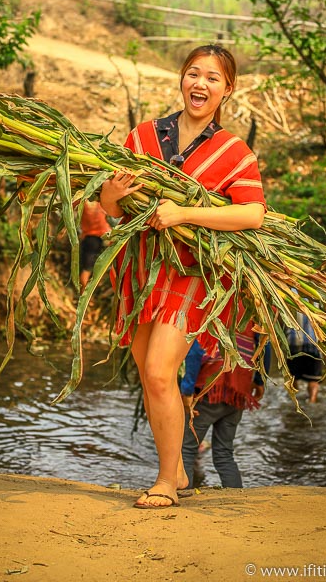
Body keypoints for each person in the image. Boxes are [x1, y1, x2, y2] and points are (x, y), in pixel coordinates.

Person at [99, 45, 266, 509]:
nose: (201, 84)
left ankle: (166, 483)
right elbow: (113, 209)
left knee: (158, 371)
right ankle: (177, 470)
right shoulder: (145, 136)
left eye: (213, 78)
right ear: (181, 78)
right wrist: (110, 197)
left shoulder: (233, 151)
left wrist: (184, 213)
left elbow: (252, 213)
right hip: (139, 268)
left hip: (191, 274)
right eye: (194, 74)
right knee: (153, 379)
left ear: (227, 89)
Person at [180, 325, 269, 490]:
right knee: (224, 453)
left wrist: (187, 389)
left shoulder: (211, 306)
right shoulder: (253, 311)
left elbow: (196, 351)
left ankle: (183, 493)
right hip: (238, 390)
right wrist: (259, 380)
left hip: (208, 389)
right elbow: (265, 345)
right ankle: (236, 497)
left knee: (186, 449)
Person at [286, 311, 323, 403]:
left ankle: (294, 400)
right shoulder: (317, 298)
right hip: (313, 343)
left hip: (293, 342)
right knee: (314, 379)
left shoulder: (287, 297)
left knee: (293, 376)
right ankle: (312, 401)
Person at [79, 200, 110, 292]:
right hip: (95, 240)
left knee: (87, 267)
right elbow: (104, 226)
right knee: (87, 269)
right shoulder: (99, 205)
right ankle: (83, 296)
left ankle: (84, 294)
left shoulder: (84, 204)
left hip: (88, 238)